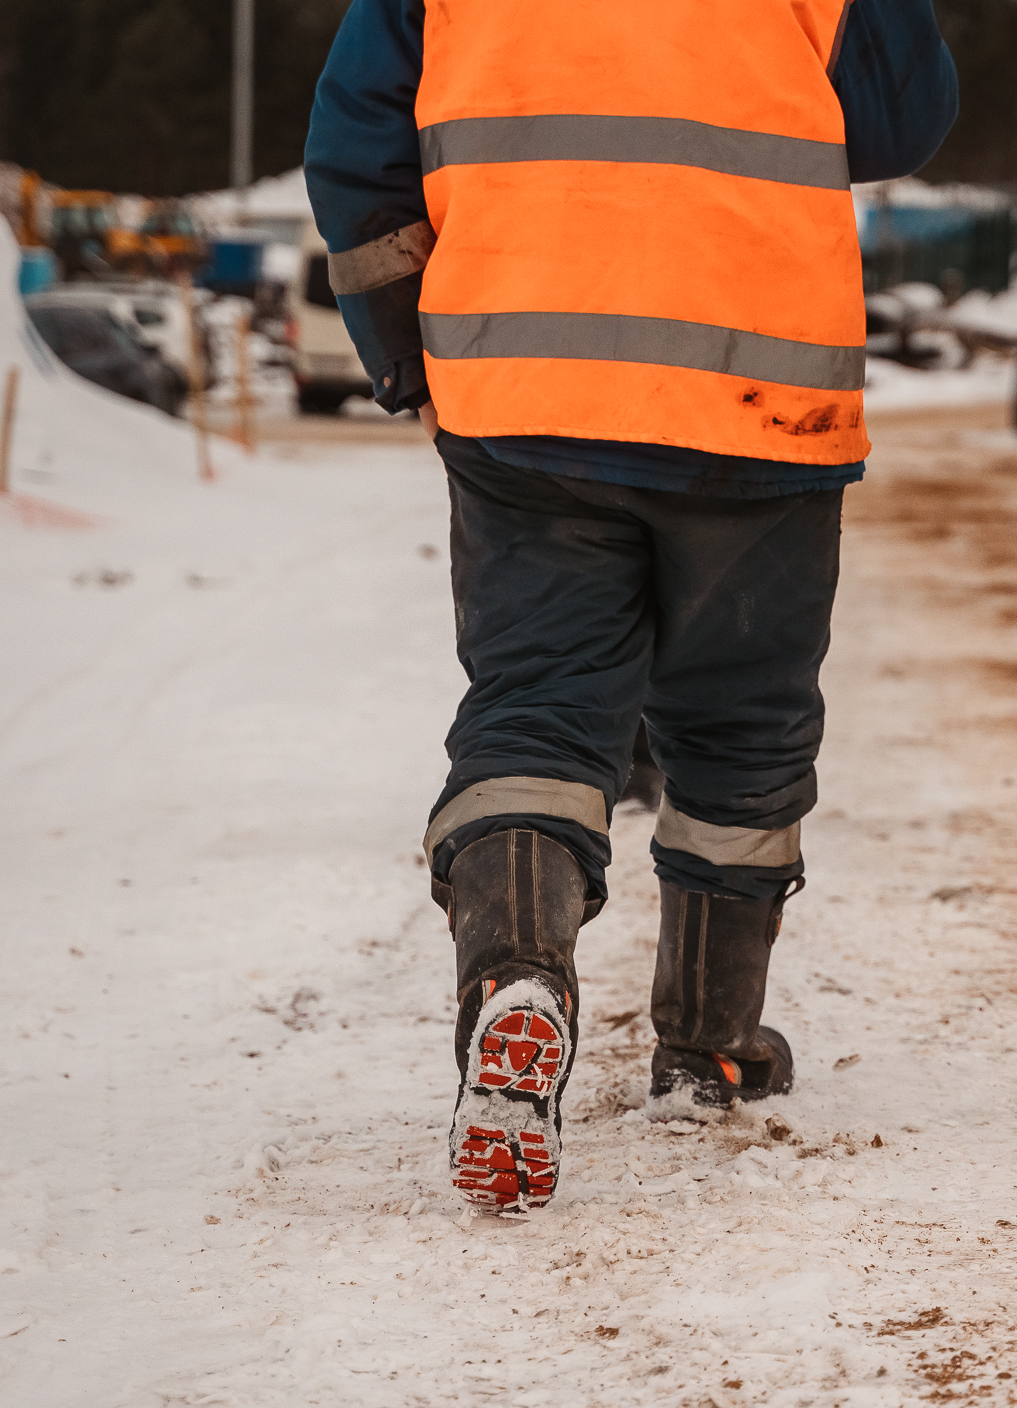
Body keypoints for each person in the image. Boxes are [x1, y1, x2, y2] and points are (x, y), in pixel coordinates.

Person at [304, 0, 957, 1211]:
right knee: (740, 729)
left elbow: (354, 147)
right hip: (759, 400)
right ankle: (706, 1050)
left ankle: (518, 975)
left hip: (521, 389)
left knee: (536, 713)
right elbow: (900, 124)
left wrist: (407, 349)